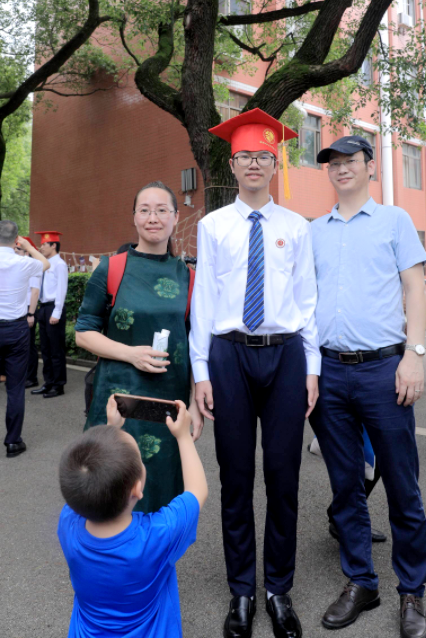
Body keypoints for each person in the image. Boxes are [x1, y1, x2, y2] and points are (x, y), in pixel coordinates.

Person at [190, 108, 320, 638]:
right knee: (236, 476)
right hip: (229, 355)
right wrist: (201, 371)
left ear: (274, 163)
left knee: (284, 476)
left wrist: (312, 367)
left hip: (286, 356)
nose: (253, 164)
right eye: (244, 156)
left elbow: (307, 301)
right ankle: (242, 590)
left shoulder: (296, 227)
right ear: (232, 162)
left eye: (263, 156)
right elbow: (204, 300)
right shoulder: (212, 226)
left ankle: (278, 590)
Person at [310, 135, 426, 638]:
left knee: (402, 484)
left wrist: (414, 354)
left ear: (369, 166)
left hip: (384, 369)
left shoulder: (394, 221)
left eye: (350, 161)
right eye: (333, 163)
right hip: (329, 371)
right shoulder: (313, 231)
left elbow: (415, 286)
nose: (341, 169)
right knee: (345, 486)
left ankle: (412, 590)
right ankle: (361, 581)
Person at [75, 181, 202, 514]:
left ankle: (158, 550)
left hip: (168, 403)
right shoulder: (112, 268)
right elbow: (83, 333)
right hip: (117, 403)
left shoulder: (189, 277)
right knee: (109, 484)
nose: (153, 218)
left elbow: (194, 342)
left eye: (162, 210)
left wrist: (196, 403)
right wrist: (131, 353)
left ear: (176, 217)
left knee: (162, 490)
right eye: (144, 210)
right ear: (134, 217)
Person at [58, 395, 207, 638]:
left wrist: (111, 428)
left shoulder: (68, 523)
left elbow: (88, 480)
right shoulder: (158, 536)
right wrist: (183, 436)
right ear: (137, 489)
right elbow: (197, 491)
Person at [0, 221, 50, 458]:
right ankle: (13, 442)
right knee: (15, 388)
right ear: (16, 239)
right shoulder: (24, 262)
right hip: (16, 328)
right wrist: (28, 247)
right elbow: (46, 264)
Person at [31, 231, 69, 398]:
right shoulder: (44, 264)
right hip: (43, 308)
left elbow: (61, 289)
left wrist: (57, 311)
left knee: (56, 350)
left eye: (44, 244)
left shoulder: (59, 264)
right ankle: (48, 382)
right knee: (45, 349)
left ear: (53, 245)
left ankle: (58, 385)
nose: (41, 248)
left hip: (54, 308)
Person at [13, 237, 42, 388]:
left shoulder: (32, 266)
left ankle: (31, 378)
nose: (15, 251)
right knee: (19, 346)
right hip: (19, 309)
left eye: (18, 249)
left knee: (29, 346)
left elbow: (35, 292)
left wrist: (31, 314)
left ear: (26, 251)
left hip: (28, 310)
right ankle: (21, 376)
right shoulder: (17, 265)